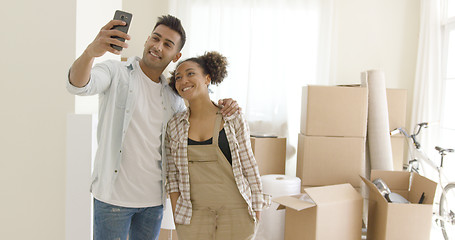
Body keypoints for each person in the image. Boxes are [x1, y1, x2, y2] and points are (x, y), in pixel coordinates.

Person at [66, 15, 239, 240]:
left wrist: (225, 105)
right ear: (147, 39)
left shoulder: (173, 98)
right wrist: (91, 52)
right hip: (112, 201)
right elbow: (78, 86)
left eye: (167, 44)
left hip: (153, 203)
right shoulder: (116, 72)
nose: (158, 46)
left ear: (176, 55)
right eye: (155, 39)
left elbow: (198, 120)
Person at [165, 51, 267, 240]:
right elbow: (172, 176)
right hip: (193, 216)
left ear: (207, 78)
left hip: (236, 212)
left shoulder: (232, 117)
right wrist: (176, 213)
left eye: (190, 73)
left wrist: (257, 208)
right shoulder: (174, 126)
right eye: (178, 77)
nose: (183, 80)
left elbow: (249, 164)